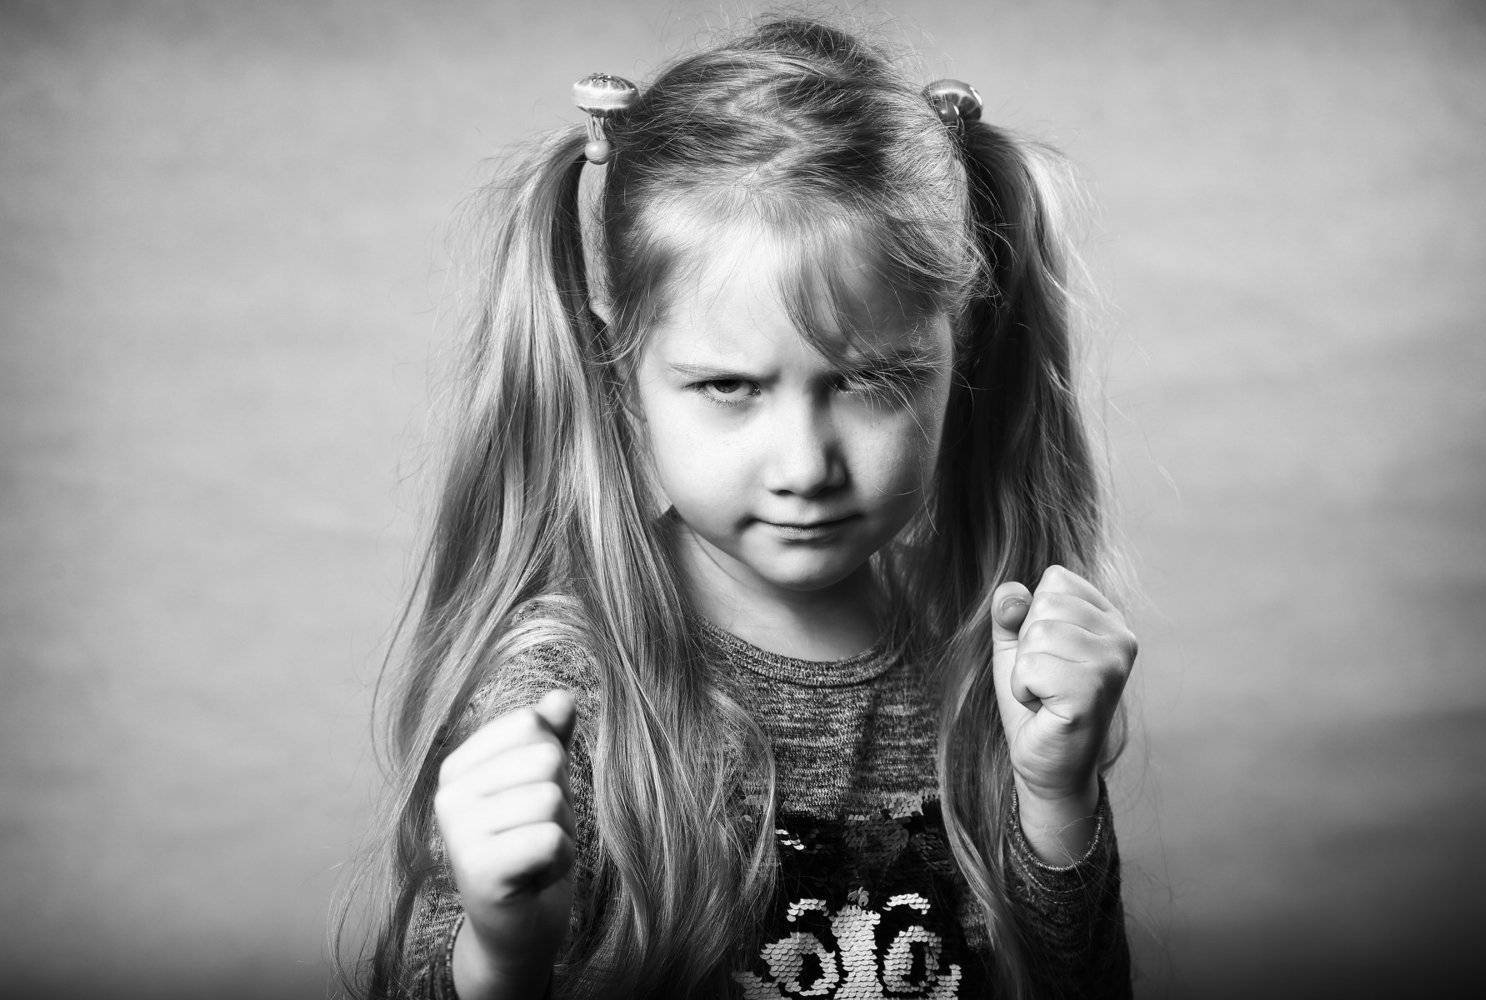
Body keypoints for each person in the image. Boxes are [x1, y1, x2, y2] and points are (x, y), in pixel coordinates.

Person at [349, 16, 1137, 1000]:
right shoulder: (567, 691)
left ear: (959, 355)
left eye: (869, 381)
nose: (805, 466)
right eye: (729, 387)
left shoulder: (984, 655)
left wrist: (1057, 805)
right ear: (621, 373)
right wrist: (501, 954)